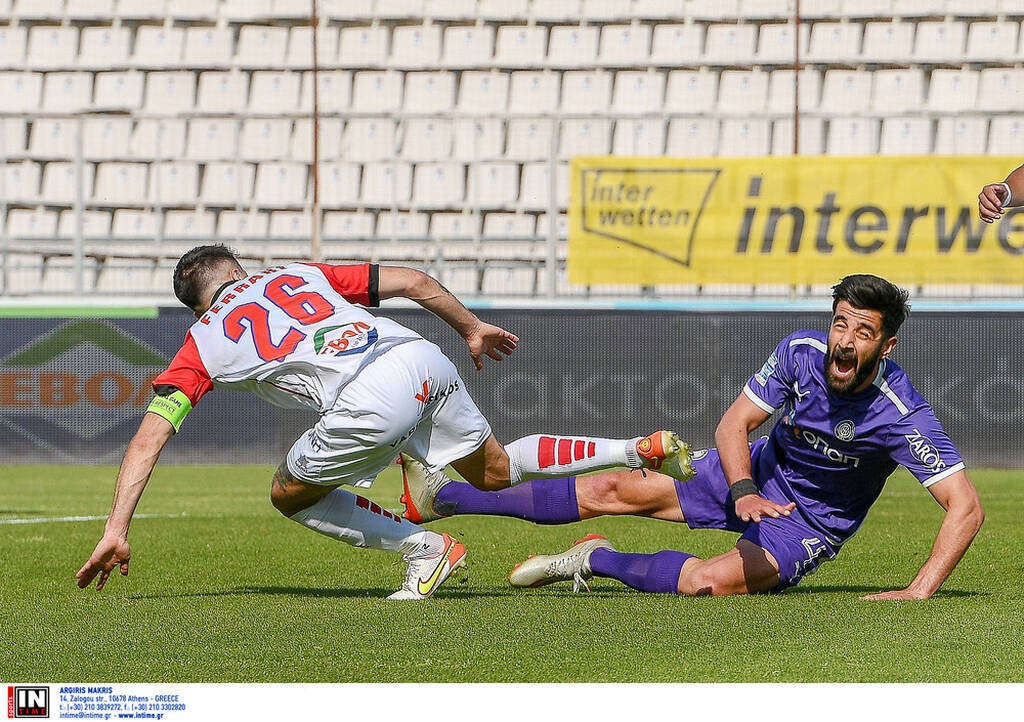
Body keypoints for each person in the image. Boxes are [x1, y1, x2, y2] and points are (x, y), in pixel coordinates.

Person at [76, 245, 686, 600]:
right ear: (239, 270)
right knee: (496, 471)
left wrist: (116, 527)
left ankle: (426, 549)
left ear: (197, 306)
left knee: (288, 494)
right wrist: (472, 328)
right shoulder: (298, 275)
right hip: (419, 355)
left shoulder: (202, 341)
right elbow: (415, 281)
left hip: (367, 398)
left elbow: (150, 437)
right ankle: (635, 448)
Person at [399, 274, 984, 600]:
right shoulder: (801, 353)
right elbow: (733, 425)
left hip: (808, 525)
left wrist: (919, 590)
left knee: (706, 583)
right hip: (752, 474)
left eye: (863, 332)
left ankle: (593, 558)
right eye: (840, 324)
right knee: (613, 488)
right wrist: (744, 489)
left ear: (887, 345)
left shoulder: (900, 413)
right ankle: (444, 497)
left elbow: (966, 507)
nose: (845, 341)